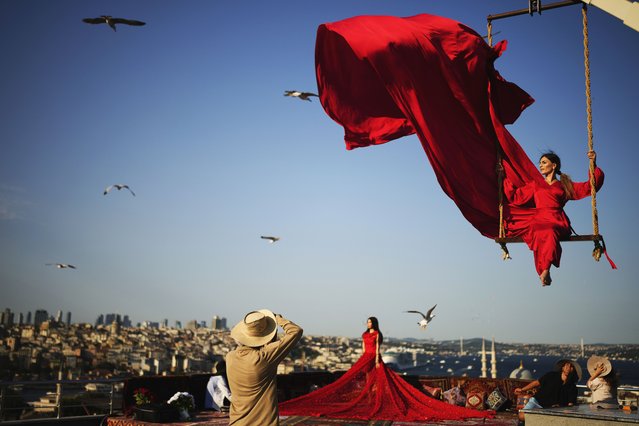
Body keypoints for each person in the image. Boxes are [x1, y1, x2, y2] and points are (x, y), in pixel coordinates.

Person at [279, 316, 492, 422]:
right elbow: (364, 347)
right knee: (361, 381)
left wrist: (378, 361)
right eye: (367, 321)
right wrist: (363, 358)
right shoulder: (365, 334)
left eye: (371, 321)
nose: (368, 323)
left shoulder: (376, 335)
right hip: (365, 357)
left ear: (375, 324)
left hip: (374, 357)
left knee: (378, 381)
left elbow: (377, 348)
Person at [503, 150, 604, 286]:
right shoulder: (535, 184)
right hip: (538, 219)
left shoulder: (565, 185)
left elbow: (590, 186)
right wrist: (503, 177)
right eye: (540, 163)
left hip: (557, 220)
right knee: (537, 231)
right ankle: (543, 270)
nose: (541, 166)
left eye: (544, 162)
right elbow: (516, 197)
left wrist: (593, 163)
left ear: (554, 165)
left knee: (549, 231)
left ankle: (546, 270)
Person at [225, 310, 302, 426]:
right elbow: (295, 331)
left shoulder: (230, 357)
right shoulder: (264, 358)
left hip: (237, 422)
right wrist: (277, 319)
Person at [514, 359, 581, 424]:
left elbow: (570, 405)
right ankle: (541, 418)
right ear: (562, 367)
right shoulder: (551, 375)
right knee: (521, 416)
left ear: (573, 370)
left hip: (553, 409)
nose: (568, 367)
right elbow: (536, 383)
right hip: (537, 402)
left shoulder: (572, 388)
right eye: (566, 365)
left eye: (571, 366)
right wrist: (522, 389)